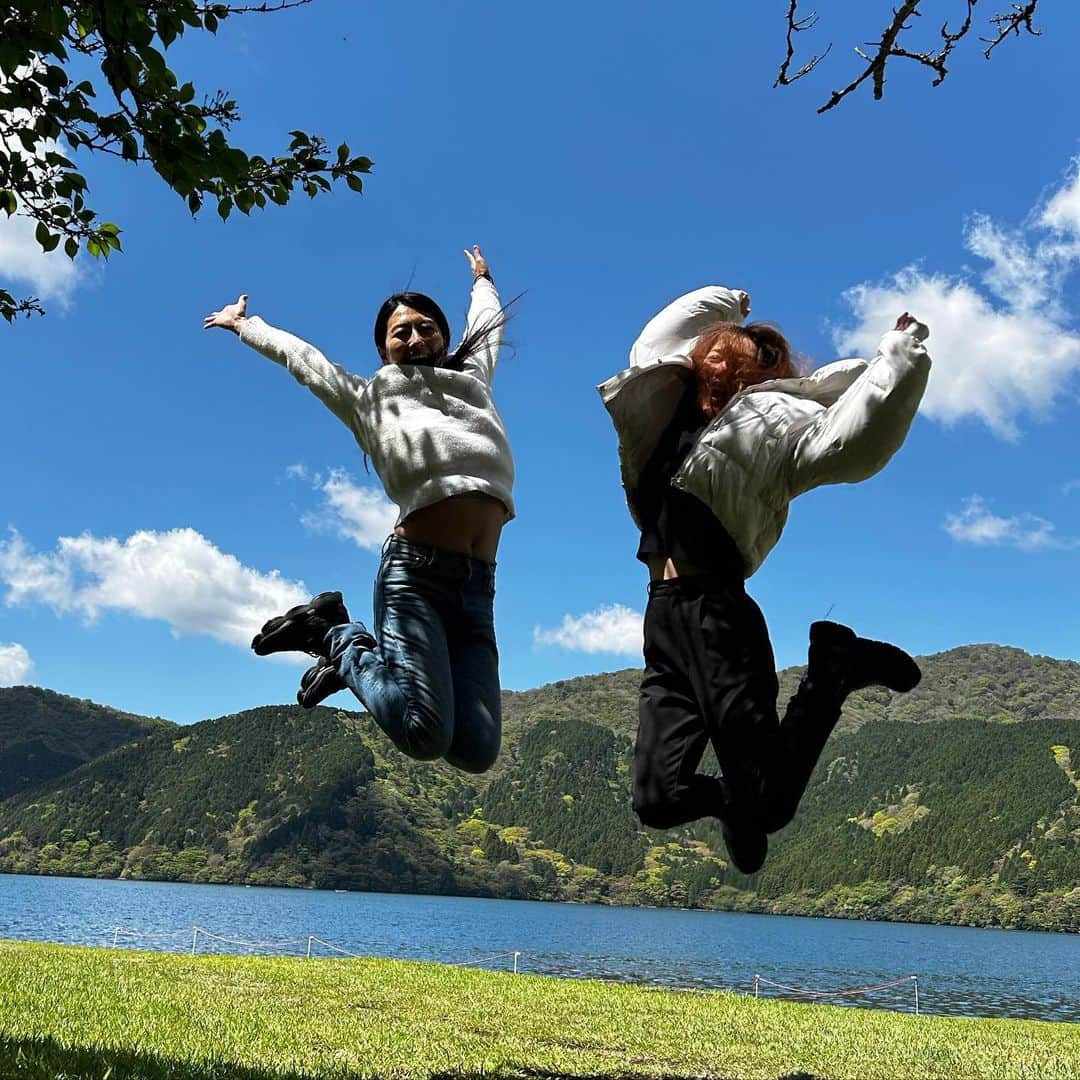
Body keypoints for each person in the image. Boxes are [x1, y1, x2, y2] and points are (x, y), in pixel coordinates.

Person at [598, 284, 931, 872]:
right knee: (657, 799)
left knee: (772, 804)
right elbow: (654, 343)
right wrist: (726, 301)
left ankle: (833, 671)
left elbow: (857, 438)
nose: (723, 366)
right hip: (664, 616)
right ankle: (739, 806)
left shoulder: (780, 421)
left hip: (719, 616)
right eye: (716, 355)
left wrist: (898, 352)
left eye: (740, 361)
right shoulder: (663, 408)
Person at [203, 246, 513, 774]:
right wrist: (244, 325)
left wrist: (483, 281)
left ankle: (344, 648)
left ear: (442, 335)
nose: (415, 338)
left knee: (476, 751)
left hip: (477, 586)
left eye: (426, 327)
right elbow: (305, 362)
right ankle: (334, 637)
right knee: (422, 734)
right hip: (415, 576)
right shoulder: (370, 400)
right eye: (401, 332)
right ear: (384, 349)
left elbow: (488, 323)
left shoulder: (472, 382)